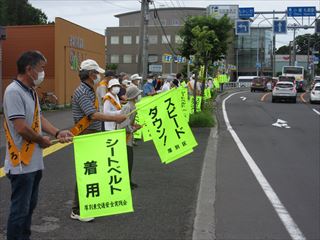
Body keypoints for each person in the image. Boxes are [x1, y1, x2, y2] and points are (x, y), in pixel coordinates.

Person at [3, 50, 73, 240]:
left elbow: (38, 118)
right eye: (41, 68)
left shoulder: (31, 92)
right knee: (20, 210)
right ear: (29, 69)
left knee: (29, 208)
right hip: (20, 164)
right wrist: (41, 139)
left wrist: (57, 132)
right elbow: (20, 127)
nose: (43, 72)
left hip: (34, 162)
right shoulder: (13, 91)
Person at [71, 59, 126, 222]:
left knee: (91, 171)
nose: (98, 76)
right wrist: (115, 118)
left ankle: (87, 204)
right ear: (90, 74)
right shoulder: (82, 91)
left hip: (92, 133)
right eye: (96, 73)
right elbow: (92, 115)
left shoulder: (88, 89)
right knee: (85, 171)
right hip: (85, 134)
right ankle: (77, 209)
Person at [117, 85, 143, 190]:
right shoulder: (128, 107)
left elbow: (129, 122)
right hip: (124, 138)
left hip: (128, 137)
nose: (139, 96)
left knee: (130, 160)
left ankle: (129, 180)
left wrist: (134, 125)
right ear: (134, 96)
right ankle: (126, 181)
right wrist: (133, 129)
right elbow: (123, 123)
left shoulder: (133, 106)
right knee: (127, 160)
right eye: (138, 94)